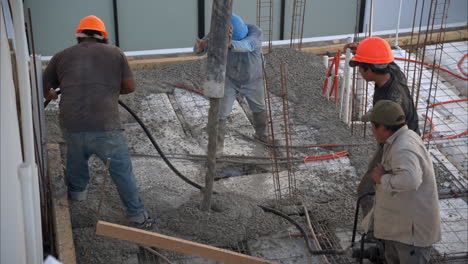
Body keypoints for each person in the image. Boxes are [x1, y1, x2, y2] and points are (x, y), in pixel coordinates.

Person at [43, 15, 154, 229]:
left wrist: (52, 94)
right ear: (103, 36)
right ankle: (138, 216)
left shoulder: (61, 56)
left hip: (71, 124)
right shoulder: (115, 53)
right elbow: (130, 87)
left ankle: (78, 198)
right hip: (106, 126)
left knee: (76, 162)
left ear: (79, 37)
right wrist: (111, 91)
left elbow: (42, 86)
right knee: (121, 171)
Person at [346, 36, 420, 216]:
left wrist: (384, 175)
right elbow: (382, 58)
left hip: (397, 145)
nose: (359, 73)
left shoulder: (392, 99)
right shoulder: (392, 71)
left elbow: (386, 131)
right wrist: (363, 51)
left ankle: (375, 237)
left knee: (367, 191)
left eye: (361, 68)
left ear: (370, 70)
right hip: (397, 138)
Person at [361, 100, 440, 264]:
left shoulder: (403, 147)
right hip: (401, 229)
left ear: (383, 127)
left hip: (411, 236)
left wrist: (382, 178)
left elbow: (410, 180)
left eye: (373, 125)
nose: (371, 129)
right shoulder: (399, 139)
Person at [194, 13, 266, 157]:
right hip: (230, 79)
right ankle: (217, 148)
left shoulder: (255, 33)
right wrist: (200, 48)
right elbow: (199, 49)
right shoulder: (218, 34)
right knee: (221, 113)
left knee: (259, 108)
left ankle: (261, 135)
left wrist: (230, 44)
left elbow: (247, 45)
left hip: (253, 79)